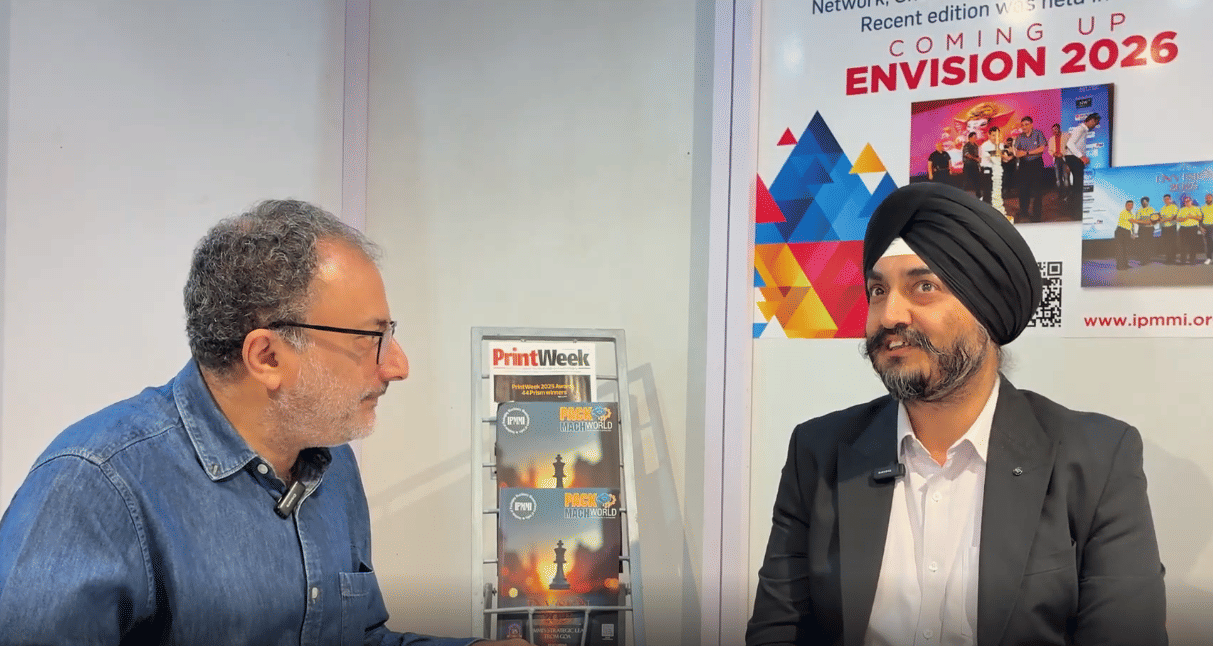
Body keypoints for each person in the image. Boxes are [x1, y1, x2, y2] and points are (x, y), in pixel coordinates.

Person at [0, 200, 533, 646]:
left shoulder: (330, 465)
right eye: (371, 339)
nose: (398, 365)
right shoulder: (93, 487)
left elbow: (357, 638)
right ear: (267, 356)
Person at [746, 183, 1166, 646]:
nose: (889, 315)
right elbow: (778, 629)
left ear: (988, 309)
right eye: (878, 290)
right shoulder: (819, 451)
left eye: (924, 287)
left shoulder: (1096, 458)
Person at [1013, 116, 1048, 222]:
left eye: (1026, 124)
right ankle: (1024, 212)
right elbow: (1017, 152)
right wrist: (1021, 153)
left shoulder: (1038, 134)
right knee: (1023, 189)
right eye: (1022, 125)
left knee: (1037, 190)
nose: (1024, 127)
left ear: (1031, 125)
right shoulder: (1019, 137)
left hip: (1036, 163)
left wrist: (1027, 152)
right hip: (1024, 165)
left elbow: (1041, 149)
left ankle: (1037, 215)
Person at [1064, 113, 1100, 204]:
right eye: (1095, 123)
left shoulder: (1082, 130)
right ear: (1091, 120)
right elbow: (1069, 144)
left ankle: (1074, 203)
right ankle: (1075, 205)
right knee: (1078, 183)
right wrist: (1081, 156)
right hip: (1073, 158)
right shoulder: (1080, 129)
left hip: (1074, 158)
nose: (1095, 126)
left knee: (1078, 183)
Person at [982, 125, 1005, 216]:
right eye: (993, 135)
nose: (995, 137)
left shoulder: (1001, 145)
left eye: (997, 135)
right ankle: (986, 213)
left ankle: (997, 211)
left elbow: (1003, 157)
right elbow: (994, 157)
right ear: (989, 135)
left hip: (998, 172)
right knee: (988, 192)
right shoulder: (985, 146)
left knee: (997, 191)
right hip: (988, 171)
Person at [1177, 194, 1203, 265]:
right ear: (1184, 202)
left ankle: (1192, 260)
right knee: (1183, 245)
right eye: (1186, 201)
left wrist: (1192, 217)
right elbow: (1178, 219)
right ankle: (1183, 260)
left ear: (1191, 201)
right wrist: (1185, 218)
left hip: (1193, 228)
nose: (1187, 202)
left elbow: (1200, 218)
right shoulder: (1181, 209)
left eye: (1188, 201)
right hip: (1183, 228)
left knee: (1193, 245)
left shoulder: (1196, 208)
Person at [962, 132, 985, 202]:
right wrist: (975, 159)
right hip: (968, 164)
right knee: (966, 180)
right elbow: (967, 154)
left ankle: (978, 195)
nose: (975, 139)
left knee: (977, 180)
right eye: (974, 137)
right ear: (970, 138)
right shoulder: (967, 145)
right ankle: (962, 196)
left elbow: (978, 155)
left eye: (976, 137)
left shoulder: (976, 146)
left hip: (975, 165)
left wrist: (979, 159)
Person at [1136, 196, 1158, 265]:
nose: (1144, 203)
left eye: (1145, 201)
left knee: (1149, 244)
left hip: (1149, 229)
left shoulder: (1151, 209)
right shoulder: (1139, 210)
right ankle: (1143, 260)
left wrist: (1145, 220)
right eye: (1143, 202)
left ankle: (1148, 259)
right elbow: (1138, 220)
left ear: (1147, 202)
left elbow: (1154, 219)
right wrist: (1147, 221)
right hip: (1142, 229)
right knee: (1142, 245)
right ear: (1141, 203)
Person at [1047, 123, 1069, 191]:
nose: (1055, 131)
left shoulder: (1066, 136)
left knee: (1066, 176)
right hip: (1056, 159)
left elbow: (1069, 147)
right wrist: (1054, 154)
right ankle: (1060, 192)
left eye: (1056, 129)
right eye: (1053, 130)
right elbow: (1049, 150)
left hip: (1065, 158)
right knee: (1058, 177)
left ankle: (1067, 192)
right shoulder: (1051, 139)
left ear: (1059, 128)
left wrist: (1063, 154)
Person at [1159, 193, 1180, 264]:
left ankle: (1173, 259)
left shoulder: (1174, 207)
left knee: (1172, 243)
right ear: (1163, 200)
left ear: (1170, 199)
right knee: (1166, 244)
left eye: (1168, 199)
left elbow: (1174, 217)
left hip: (1172, 227)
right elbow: (1160, 218)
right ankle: (1168, 259)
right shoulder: (1162, 209)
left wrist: (1165, 220)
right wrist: (1160, 220)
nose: (1166, 200)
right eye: (1165, 199)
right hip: (1164, 227)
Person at [1115, 199, 1135, 270]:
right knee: (1120, 249)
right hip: (1120, 231)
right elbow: (1132, 221)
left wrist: (1133, 234)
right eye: (1128, 205)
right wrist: (1147, 222)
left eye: (1131, 205)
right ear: (1125, 205)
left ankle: (1125, 264)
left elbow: (1132, 224)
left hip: (1127, 232)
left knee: (1126, 249)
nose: (1130, 206)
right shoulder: (1123, 212)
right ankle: (1120, 266)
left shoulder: (1131, 214)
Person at [1202, 193, 1213, 264]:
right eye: (1207, 198)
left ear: (1212, 198)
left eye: (1209, 198)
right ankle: (1209, 258)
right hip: (1206, 227)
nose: (1208, 199)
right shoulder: (1203, 207)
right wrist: (1201, 227)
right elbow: (1201, 218)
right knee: (1208, 243)